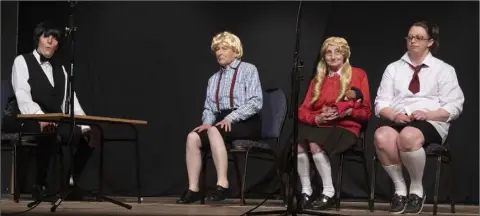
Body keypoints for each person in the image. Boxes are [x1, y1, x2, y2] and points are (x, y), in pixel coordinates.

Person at [374, 21, 464, 214]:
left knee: (408, 136)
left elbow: (455, 105)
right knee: (382, 136)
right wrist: (393, 115)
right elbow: (381, 103)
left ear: (430, 42)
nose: (413, 41)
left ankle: (416, 190)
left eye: (419, 38)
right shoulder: (393, 68)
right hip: (400, 119)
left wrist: (428, 114)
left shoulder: (443, 69)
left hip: (431, 121)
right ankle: (400, 190)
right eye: (410, 37)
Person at [7, 21, 98, 201]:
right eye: (46, 36)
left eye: (54, 38)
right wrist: (40, 117)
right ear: (37, 39)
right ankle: (39, 185)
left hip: (54, 121)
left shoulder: (61, 69)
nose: (50, 41)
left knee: (88, 135)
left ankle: (70, 183)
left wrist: (86, 125)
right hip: (26, 118)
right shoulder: (22, 61)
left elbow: (70, 102)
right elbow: (22, 95)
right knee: (48, 130)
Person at [176, 31, 263, 204]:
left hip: (246, 120)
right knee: (193, 137)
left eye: (224, 48)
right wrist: (207, 123)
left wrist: (231, 117)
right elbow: (209, 107)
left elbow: (255, 102)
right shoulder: (213, 79)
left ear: (235, 51)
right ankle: (193, 189)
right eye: (217, 49)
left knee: (215, 130)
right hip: (221, 123)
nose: (219, 53)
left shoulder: (248, 69)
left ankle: (223, 184)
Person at [296, 37, 372, 210]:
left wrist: (348, 111)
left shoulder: (358, 75)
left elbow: (366, 112)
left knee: (315, 143)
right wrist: (316, 118)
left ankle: (328, 192)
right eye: (328, 52)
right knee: (298, 144)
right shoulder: (317, 80)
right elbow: (303, 110)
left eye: (337, 51)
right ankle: (306, 191)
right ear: (323, 56)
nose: (333, 56)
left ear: (345, 54)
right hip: (320, 126)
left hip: (345, 128)